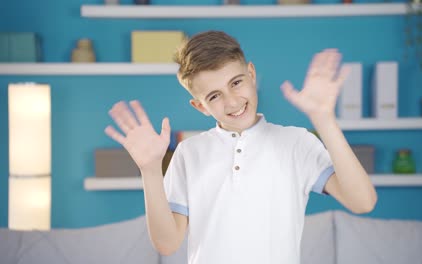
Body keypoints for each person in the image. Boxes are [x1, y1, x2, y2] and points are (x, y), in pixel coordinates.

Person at [104, 30, 377, 264]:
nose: (233, 102)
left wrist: (324, 119)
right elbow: (167, 243)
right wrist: (150, 170)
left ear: (251, 74)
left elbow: (363, 202)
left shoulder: (297, 143)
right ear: (200, 106)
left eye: (236, 83)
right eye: (214, 96)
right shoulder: (189, 153)